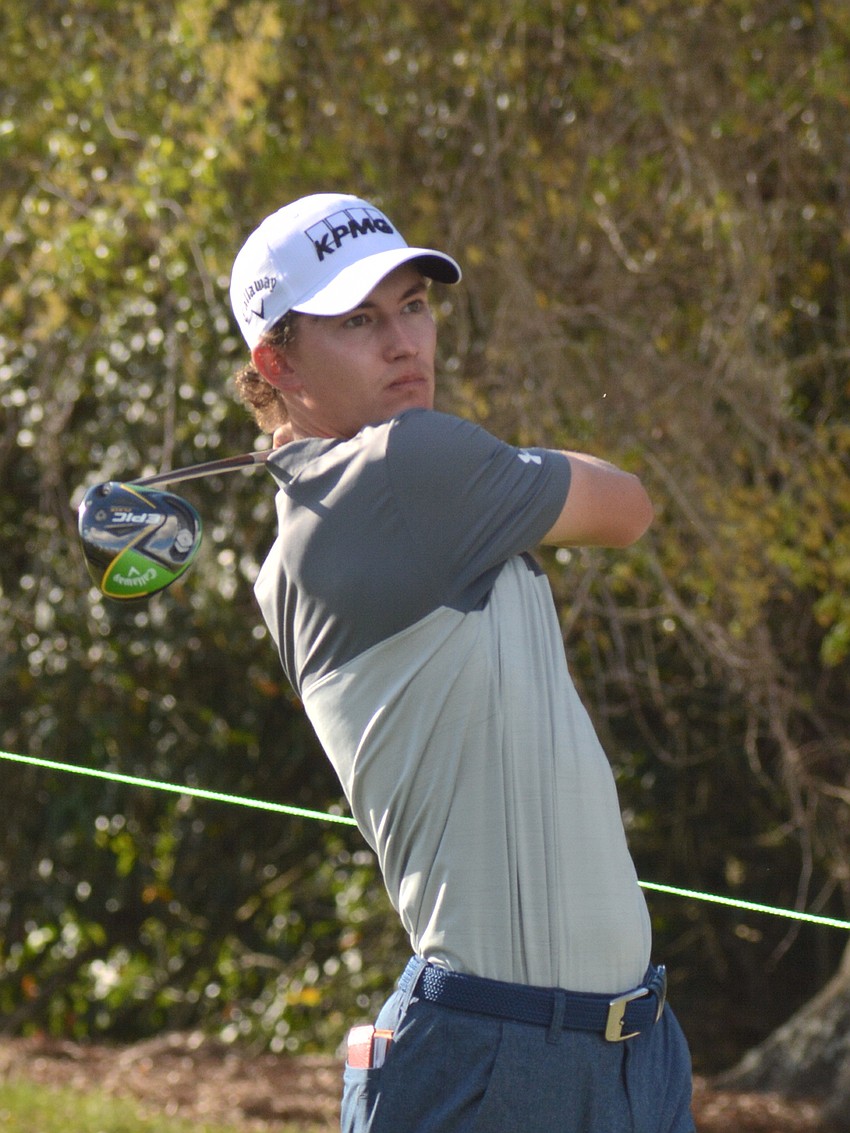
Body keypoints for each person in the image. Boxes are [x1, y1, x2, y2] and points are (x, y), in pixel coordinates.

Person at [229, 192, 694, 1132]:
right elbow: (628, 505)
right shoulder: (407, 467)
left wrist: (495, 475)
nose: (405, 342)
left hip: (634, 1050)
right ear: (275, 361)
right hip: (501, 1063)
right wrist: (501, 467)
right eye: (359, 319)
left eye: (414, 306)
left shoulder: (353, 502)